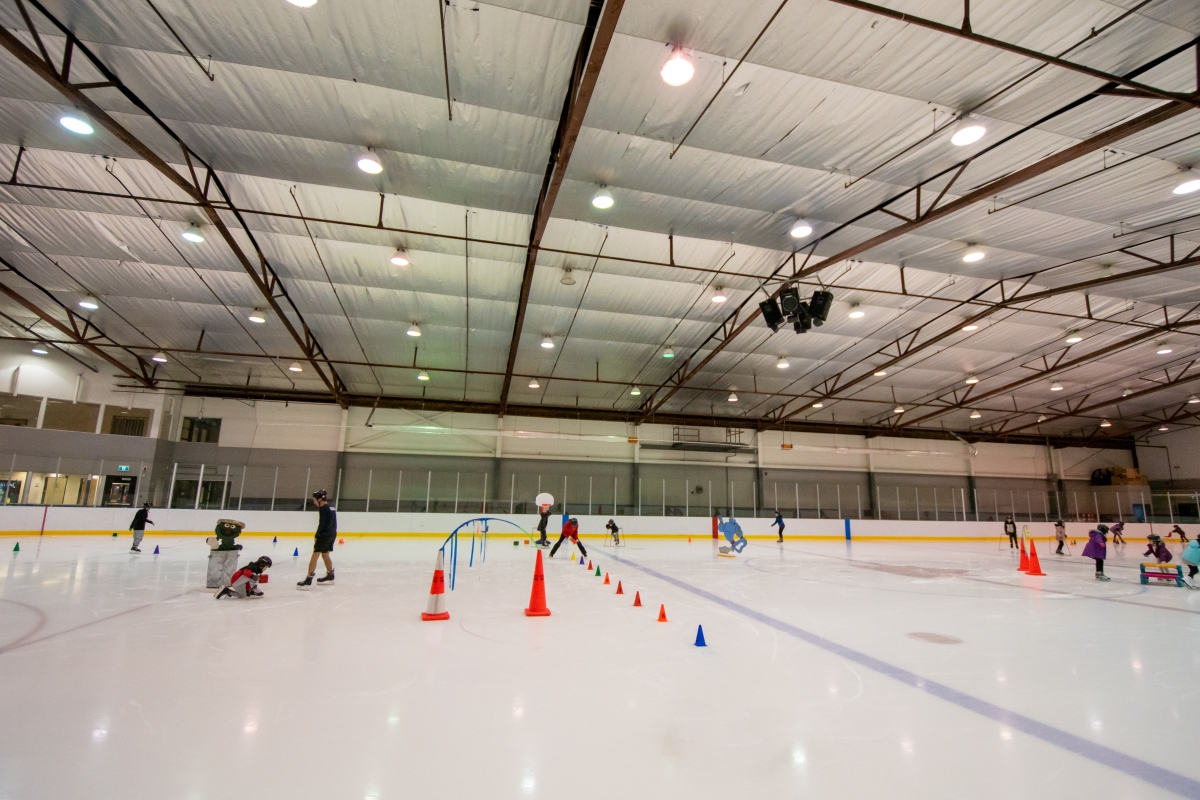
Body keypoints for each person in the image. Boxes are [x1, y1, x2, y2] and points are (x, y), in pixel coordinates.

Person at [297, 489, 336, 588]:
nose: (314, 502)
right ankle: (330, 575)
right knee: (325, 554)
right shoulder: (332, 508)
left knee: (315, 556)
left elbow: (322, 523)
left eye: (315, 500)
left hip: (324, 535)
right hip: (332, 534)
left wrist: (317, 535)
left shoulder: (323, 508)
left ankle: (308, 579)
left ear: (320, 499)